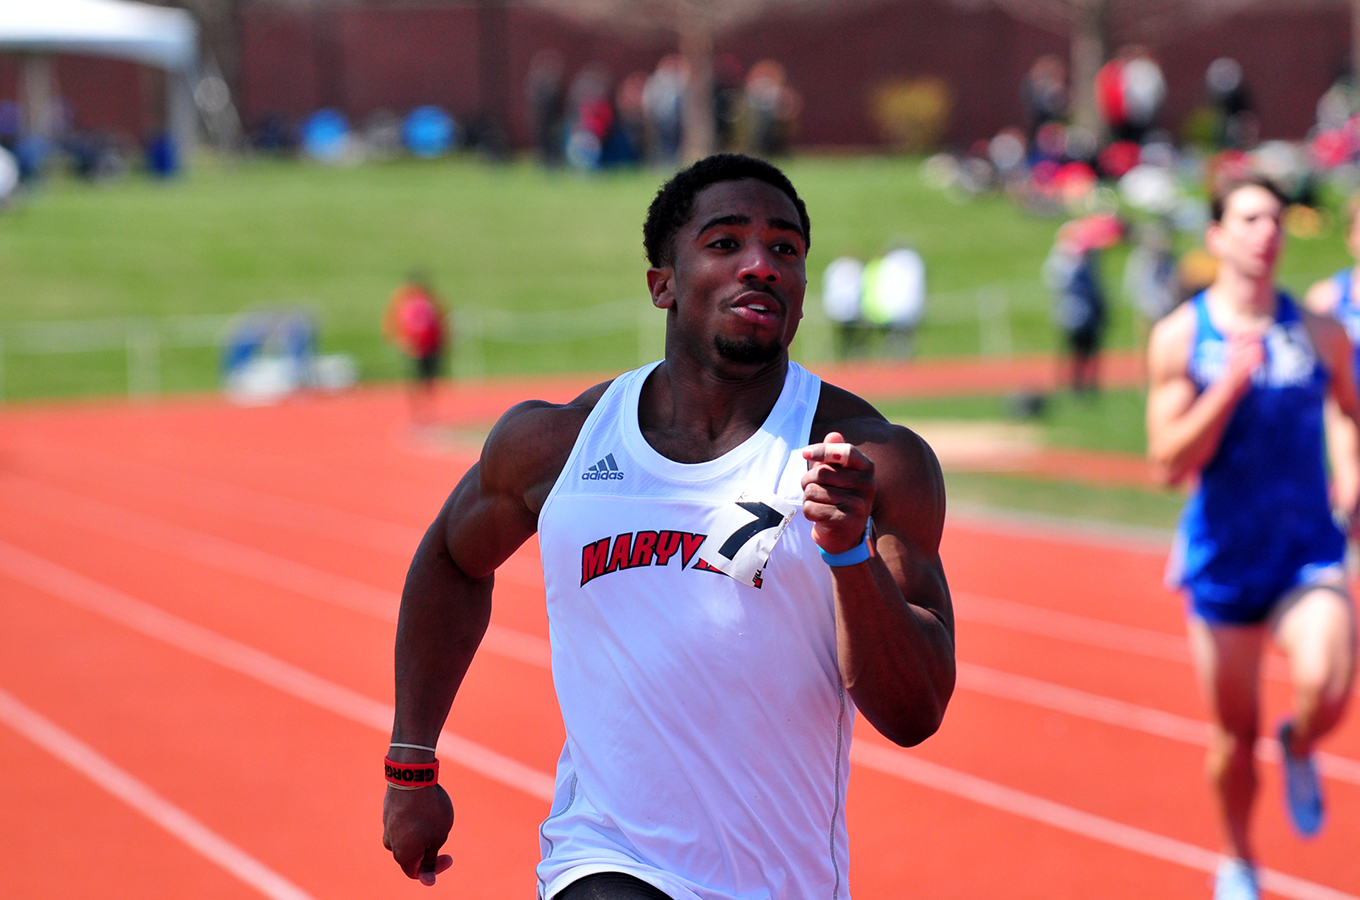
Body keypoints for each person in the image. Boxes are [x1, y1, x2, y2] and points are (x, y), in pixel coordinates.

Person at [381, 154, 956, 899]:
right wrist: (410, 764)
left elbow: (916, 713)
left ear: (805, 294)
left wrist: (849, 557)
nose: (761, 265)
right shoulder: (559, 446)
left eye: (785, 250)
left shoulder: (873, 462)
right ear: (663, 283)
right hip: (605, 862)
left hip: (783, 880)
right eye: (725, 244)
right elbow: (451, 563)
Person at [1146, 175, 1359, 900]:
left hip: (1307, 549)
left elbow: (1352, 409)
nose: (1266, 230)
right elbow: (1168, 463)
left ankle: (1300, 740)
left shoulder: (1319, 331)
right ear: (1218, 237)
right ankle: (1238, 859)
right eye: (1249, 217)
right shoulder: (1183, 337)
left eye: (1274, 218)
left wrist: (1350, 472)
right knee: (1235, 735)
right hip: (1225, 559)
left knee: (1329, 682)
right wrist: (1227, 389)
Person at [383, 272, 449, 425]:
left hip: (429, 346)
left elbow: (440, 321)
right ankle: (419, 412)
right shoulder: (406, 301)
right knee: (417, 380)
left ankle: (426, 411)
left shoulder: (429, 301)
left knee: (427, 379)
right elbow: (393, 321)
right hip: (416, 348)